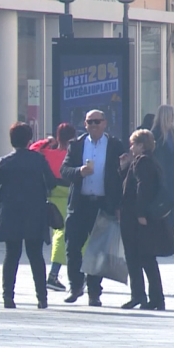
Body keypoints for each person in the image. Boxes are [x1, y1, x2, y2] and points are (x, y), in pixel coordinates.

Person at [0, 122, 56, 309]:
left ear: (11, 140)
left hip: (10, 214)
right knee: (36, 255)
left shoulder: (4, 162)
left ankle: (8, 298)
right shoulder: (38, 160)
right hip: (35, 213)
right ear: (29, 140)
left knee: (11, 255)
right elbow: (51, 183)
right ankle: (42, 298)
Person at [60, 109, 124, 307]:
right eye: (90, 122)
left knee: (98, 251)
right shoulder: (77, 145)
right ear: (85, 124)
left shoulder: (114, 145)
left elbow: (121, 175)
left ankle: (94, 292)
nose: (94, 125)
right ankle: (75, 285)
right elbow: (64, 170)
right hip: (80, 204)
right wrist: (79, 171)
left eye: (97, 121)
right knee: (72, 247)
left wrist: (119, 206)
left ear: (105, 123)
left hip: (103, 204)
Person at [118, 130, 174, 311]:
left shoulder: (143, 162)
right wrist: (123, 168)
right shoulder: (149, 161)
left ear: (141, 145)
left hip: (136, 219)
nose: (131, 147)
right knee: (145, 258)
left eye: (133, 144)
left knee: (139, 258)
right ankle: (150, 298)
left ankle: (143, 296)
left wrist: (140, 213)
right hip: (140, 217)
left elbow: (142, 190)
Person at [30, 123, 77, 292]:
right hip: (68, 195)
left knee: (59, 233)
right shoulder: (72, 155)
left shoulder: (47, 153)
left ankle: (58, 275)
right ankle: (54, 275)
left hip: (50, 195)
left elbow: (32, 149)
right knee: (64, 235)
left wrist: (45, 141)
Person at [151, 105, 174, 225]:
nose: (173, 118)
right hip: (161, 174)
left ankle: (171, 232)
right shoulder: (155, 135)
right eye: (172, 115)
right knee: (162, 205)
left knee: (173, 203)